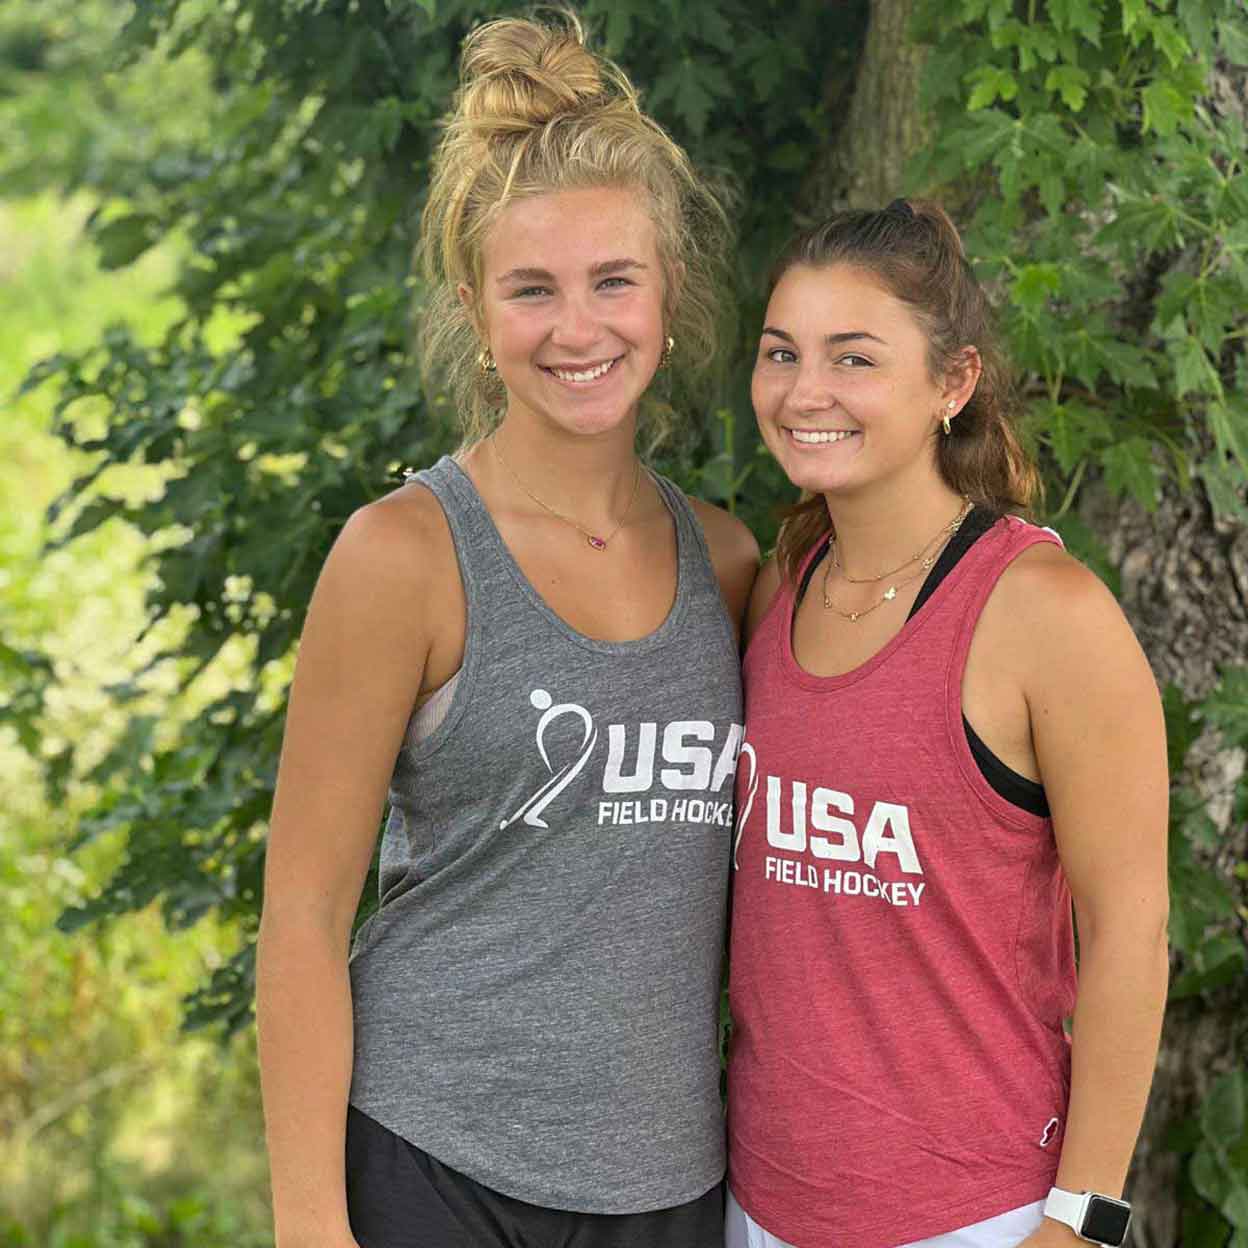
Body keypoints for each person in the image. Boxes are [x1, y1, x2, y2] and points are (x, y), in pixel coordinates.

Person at [255, 14, 758, 1248]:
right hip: (436, 1165)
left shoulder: (735, 564)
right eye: (532, 289)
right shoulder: (407, 558)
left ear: (670, 294)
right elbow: (303, 921)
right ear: (478, 310)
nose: (576, 330)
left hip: (671, 1181)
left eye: (613, 281)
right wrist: (312, 1228)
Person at [725, 200, 1169, 1248]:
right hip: (760, 1209)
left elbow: (1132, 936)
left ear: (953, 384)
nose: (806, 392)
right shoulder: (779, 585)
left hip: (979, 1218)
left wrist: (1083, 1223)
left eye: (855, 358)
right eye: (781, 352)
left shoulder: (1043, 612)